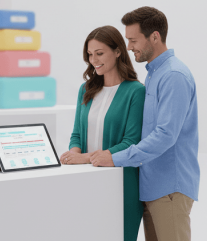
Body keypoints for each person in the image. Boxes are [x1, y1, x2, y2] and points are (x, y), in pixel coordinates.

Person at [90, 6, 200, 241]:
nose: (129, 47)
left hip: (170, 189)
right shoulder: (153, 74)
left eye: (133, 40)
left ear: (155, 37)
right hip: (152, 188)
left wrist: (114, 157)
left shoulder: (173, 76)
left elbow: (165, 136)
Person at [60, 25, 146, 241]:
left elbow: (131, 142)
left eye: (99, 54)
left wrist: (84, 158)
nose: (93, 60)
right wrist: (73, 155)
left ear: (118, 52)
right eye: (90, 54)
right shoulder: (86, 89)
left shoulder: (136, 91)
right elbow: (77, 134)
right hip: (86, 180)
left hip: (122, 183)